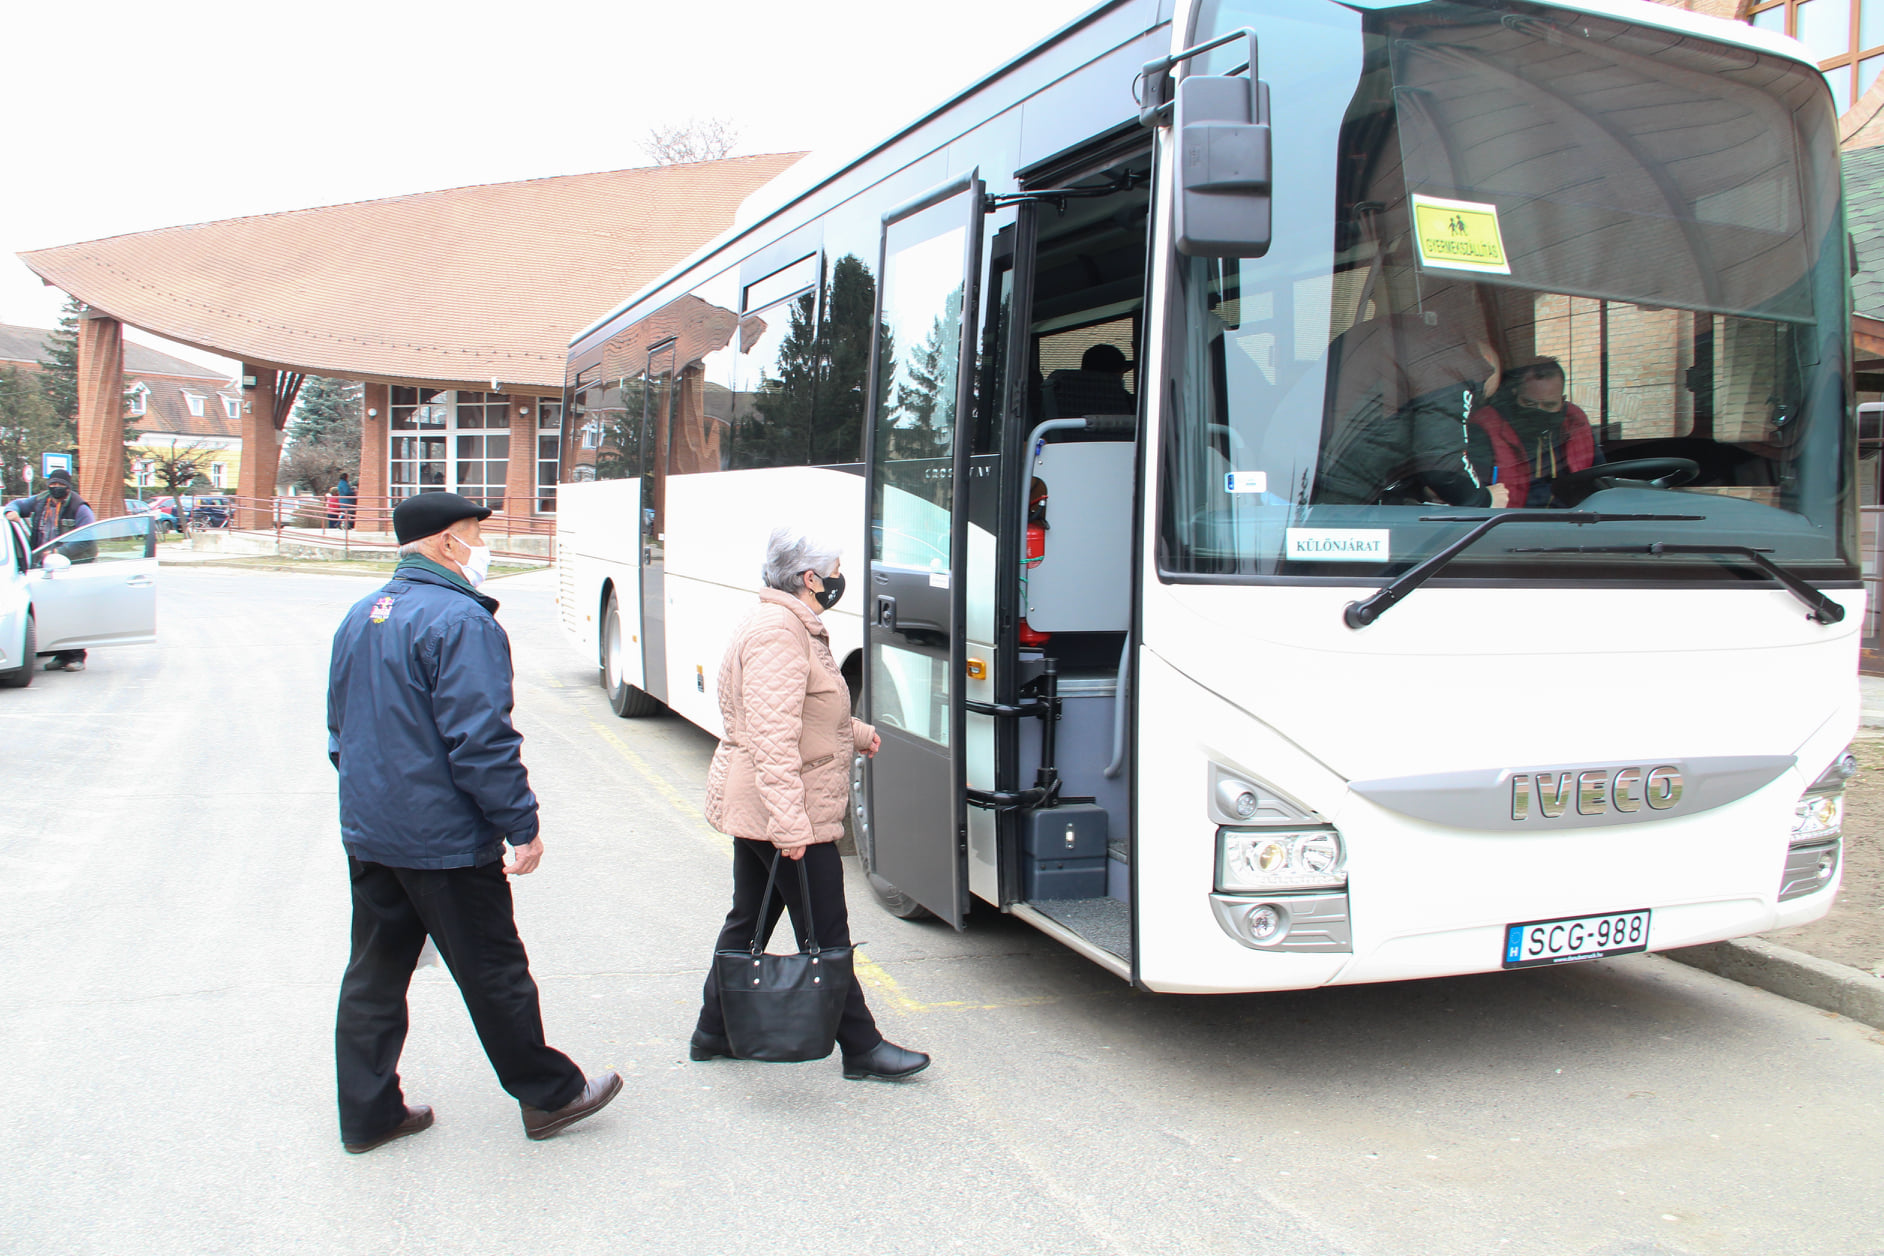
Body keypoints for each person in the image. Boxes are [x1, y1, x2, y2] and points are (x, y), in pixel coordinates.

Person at [326, 490, 621, 1153]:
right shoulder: (460, 622)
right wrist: (522, 825)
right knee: (494, 971)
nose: (479, 547)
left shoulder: (361, 616)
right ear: (441, 544)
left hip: (373, 835)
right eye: (470, 534)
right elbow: (482, 741)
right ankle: (551, 1095)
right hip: (444, 840)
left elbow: (339, 731)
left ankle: (369, 1115)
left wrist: (369, 806)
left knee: (374, 976)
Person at [690, 526, 930, 1082]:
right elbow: (773, 736)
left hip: (767, 805)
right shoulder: (780, 632)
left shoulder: (785, 625)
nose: (839, 578)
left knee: (750, 915)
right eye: (835, 568)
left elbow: (799, 711)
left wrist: (856, 731)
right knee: (825, 930)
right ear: (809, 577)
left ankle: (714, 1030)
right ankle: (862, 1046)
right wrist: (790, 825)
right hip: (785, 808)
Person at [1468, 357, 1603, 508]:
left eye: (1549, 405)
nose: (1539, 411)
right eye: (1529, 403)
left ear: (1562, 401)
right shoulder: (1486, 428)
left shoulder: (1576, 423)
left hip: (1573, 520)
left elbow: (1600, 476)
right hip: (1511, 523)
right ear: (1515, 394)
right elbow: (1475, 493)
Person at [4, 468, 96, 671]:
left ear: (68, 487)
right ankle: (61, 656)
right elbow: (18, 504)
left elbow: (87, 539)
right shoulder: (41, 500)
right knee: (56, 611)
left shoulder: (79, 508)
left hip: (71, 565)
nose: (55, 488)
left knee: (72, 611)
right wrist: (11, 511)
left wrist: (59, 552)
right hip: (45, 565)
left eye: (59, 485)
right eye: (52, 484)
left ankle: (77, 656)